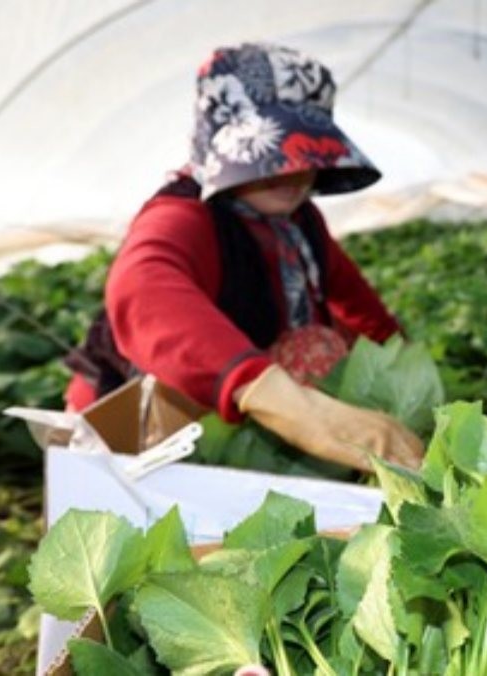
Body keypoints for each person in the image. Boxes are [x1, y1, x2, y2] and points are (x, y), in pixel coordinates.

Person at [62, 43, 424, 471]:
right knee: (312, 351)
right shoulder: (186, 216)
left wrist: (414, 387)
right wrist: (289, 404)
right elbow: (142, 288)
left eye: (303, 154)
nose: (292, 172)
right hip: (131, 422)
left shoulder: (300, 223)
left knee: (326, 345)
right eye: (271, 156)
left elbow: (365, 315)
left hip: (223, 413)